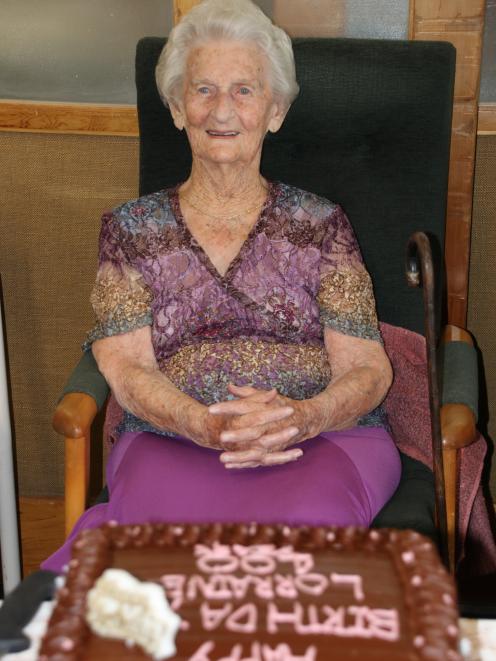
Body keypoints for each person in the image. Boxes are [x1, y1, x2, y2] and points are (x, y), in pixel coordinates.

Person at [43, 0, 401, 571]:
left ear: (276, 110)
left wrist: (301, 417)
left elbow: (367, 367)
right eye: (203, 90)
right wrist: (199, 422)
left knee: (299, 561)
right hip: (171, 439)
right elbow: (126, 369)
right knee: (158, 569)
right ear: (178, 108)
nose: (222, 110)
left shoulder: (322, 224)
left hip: (318, 439)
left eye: (244, 90)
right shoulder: (130, 231)